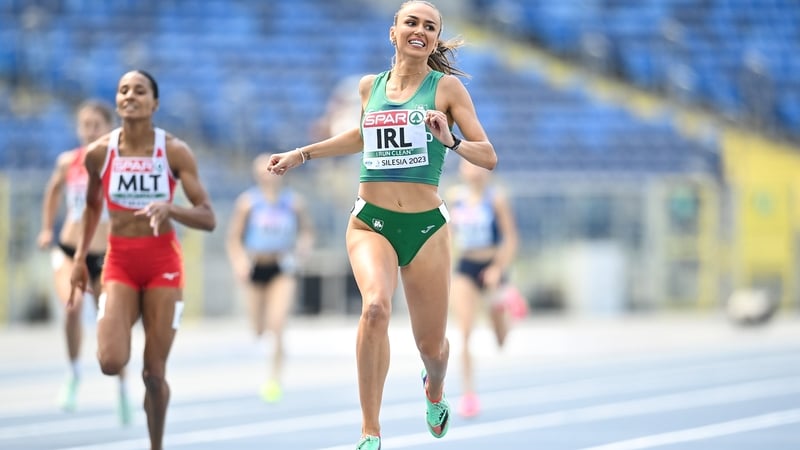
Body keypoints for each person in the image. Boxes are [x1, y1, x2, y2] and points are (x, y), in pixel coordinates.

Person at [266, 2, 497, 448]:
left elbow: (488, 155)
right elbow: (361, 135)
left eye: (430, 27)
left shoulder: (445, 88)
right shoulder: (368, 86)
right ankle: (370, 431)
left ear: (433, 40)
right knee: (374, 308)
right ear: (393, 32)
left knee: (433, 348)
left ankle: (434, 388)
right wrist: (303, 153)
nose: (420, 30)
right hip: (371, 223)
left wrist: (450, 140)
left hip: (426, 228)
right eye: (411, 22)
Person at [69, 70, 216, 450]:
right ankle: (126, 316)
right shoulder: (99, 153)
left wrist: (171, 209)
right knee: (110, 360)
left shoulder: (174, 151)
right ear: (116, 101)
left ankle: (155, 445)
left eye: (139, 90)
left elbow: (208, 216)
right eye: (122, 90)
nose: (129, 96)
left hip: (162, 264)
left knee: (153, 374)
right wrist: (80, 258)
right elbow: (90, 207)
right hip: (119, 262)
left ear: (155, 104)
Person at [36, 99, 132, 423]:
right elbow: (52, 192)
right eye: (85, 125)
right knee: (72, 306)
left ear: (109, 129)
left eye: (96, 125)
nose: (90, 131)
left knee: (111, 323)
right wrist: (47, 228)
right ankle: (74, 373)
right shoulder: (68, 162)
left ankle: (122, 388)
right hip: (69, 250)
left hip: (107, 255)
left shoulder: (121, 163)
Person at [226, 153, 313, 403]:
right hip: (255, 267)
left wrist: (303, 248)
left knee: (277, 323)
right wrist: (239, 262)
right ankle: (264, 357)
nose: (268, 175)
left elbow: (306, 231)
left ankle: (274, 379)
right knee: (258, 329)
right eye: (263, 171)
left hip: (282, 267)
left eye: (271, 169)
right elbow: (234, 238)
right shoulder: (248, 203)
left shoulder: (293, 203)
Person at [447, 158, 522, 418]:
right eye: (468, 165)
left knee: (500, 340)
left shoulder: (496, 199)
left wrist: (497, 269)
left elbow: (511, 239)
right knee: (465, 333)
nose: (473, 170)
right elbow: (448, 235)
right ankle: (468, 394)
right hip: (466, 266)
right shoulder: (455, 197)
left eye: (477, 165)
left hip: (492, 266)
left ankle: (504, 308)